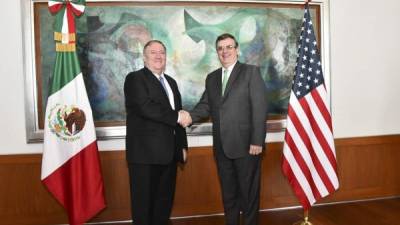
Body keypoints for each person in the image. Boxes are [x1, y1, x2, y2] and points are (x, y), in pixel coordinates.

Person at [186, 33, 268, 225]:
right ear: (217, 52)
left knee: (248, 195)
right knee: (229, 195)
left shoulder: (250, 72)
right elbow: (205, 105)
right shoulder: (212, 78)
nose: (225, 51)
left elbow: (259, 108)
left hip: (248, 146)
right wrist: (188, 116)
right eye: (220, 48)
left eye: (229, 47)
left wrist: (257, 140)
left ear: (237, 50)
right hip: (222, 147)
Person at [124, 40, 190, 225]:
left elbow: (179, 114)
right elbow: (146, 108)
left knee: (163, 205)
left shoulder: (171, 82)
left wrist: (182, 146)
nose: (158, 56)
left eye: (162, 52)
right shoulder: (135, 79)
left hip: (169, 156)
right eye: (153, 52)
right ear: (144, 57)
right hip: (144, 156)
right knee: (143, 207)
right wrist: (177, 116)